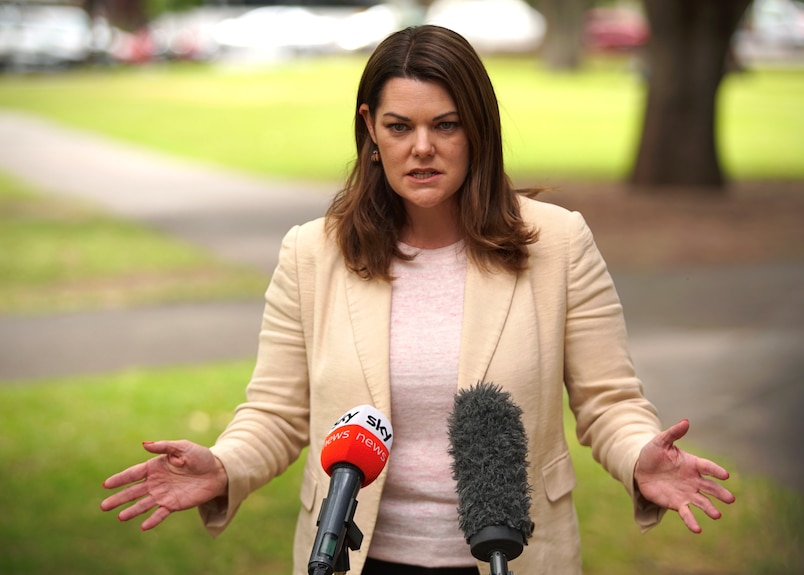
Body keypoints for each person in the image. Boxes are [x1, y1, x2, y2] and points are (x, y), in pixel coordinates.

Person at [100, 25, 735, 575]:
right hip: (352, 558)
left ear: (477, 130)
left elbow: (608, 402)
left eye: (445, 125)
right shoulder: (309, 254)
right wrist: (224, 465)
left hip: (511, 555)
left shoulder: (559, 244)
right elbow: (277, 411)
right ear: (369, 129)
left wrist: (637, 455)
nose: (421, 147)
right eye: (399, 127)